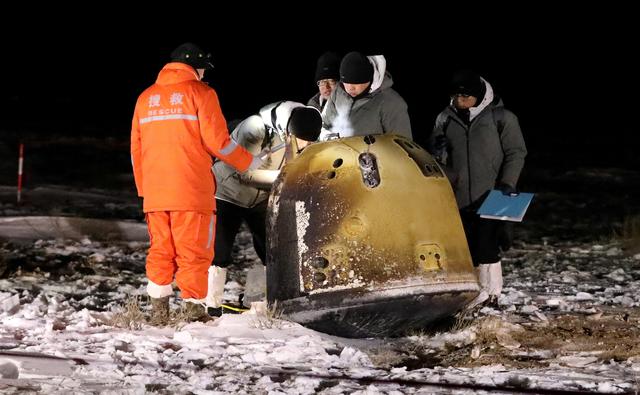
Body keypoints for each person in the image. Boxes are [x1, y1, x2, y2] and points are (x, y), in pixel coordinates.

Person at [130, 42, 263, 324]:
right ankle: (192, 311)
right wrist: (249, 162)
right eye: (203, 68)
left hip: (156, 193)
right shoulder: (202, 93)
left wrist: (145, 189)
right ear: (196, 67)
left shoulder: (145, 98)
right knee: (194, 250)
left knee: (161, 250)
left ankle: (159, 313)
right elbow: (219, 143)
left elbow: (136, 150)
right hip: (191, 189)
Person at [428, 70, 527, 308]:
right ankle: (474, 295)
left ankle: (492, 294)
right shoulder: (445, 118)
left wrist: (508, 182)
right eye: (456, 97)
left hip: (495, 191)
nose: (460, 102)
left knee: (488, 244)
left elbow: (516, 152)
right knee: (467, 246)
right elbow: (435, 157)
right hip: (459, 195)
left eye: (465, 97)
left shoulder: (502, 117)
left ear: (479, 96)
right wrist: (436, 149)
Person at [210, 101, 322, 310]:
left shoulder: (304, 126)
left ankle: (275, 299)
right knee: (220, 250)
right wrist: (286, 177)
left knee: (270, 248)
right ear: (289, 128)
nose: (304, 145)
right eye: (302, 140)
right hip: (227, 192)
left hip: (260, 197)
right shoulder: (255, 128)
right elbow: (243, 172)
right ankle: (210, 303)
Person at [320, 51, 412, 141]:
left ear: (369, 79)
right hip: (336, 153)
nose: (350, 88)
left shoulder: (392, 103)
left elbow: (402, 146)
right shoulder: (338, 93)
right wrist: (328, 137)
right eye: (346, 82)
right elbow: (322, 124)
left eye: (356, 83)